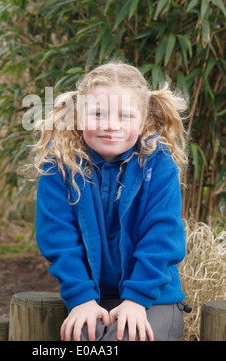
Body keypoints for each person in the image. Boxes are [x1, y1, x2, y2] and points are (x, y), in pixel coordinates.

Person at [29, 60, 188, 341]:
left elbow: (163, 237)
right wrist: (81, 299)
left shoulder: (159, 165)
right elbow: (58, 236)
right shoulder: (60, 164)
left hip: (153, 297)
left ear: (142, 121)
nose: (110, 126)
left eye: (124, 116)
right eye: (98, 114)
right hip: (90, 297)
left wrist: (137, 300)